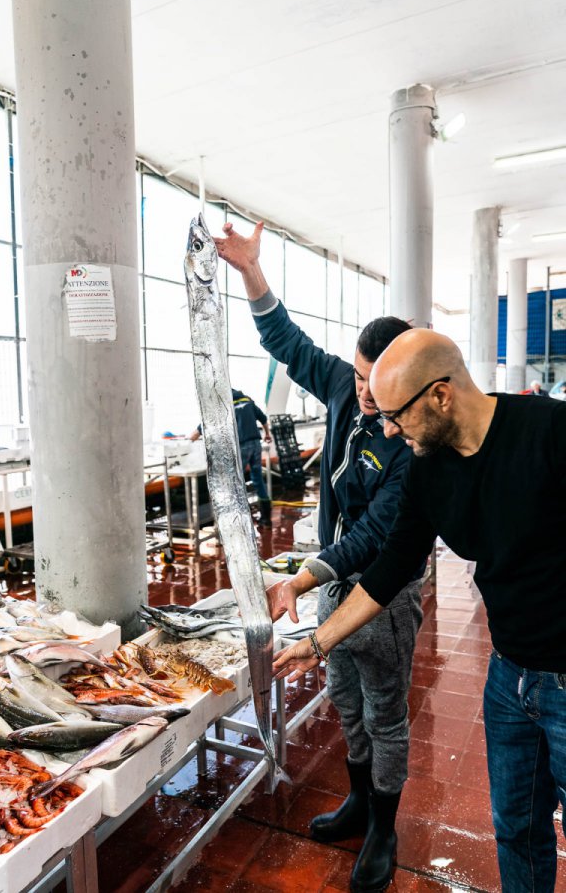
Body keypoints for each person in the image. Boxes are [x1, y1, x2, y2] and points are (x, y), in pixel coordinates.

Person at [273, 327, 566, 893]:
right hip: (508, 677)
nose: (386, 429)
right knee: (516, 829)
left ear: (439, 395)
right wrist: (315, 643)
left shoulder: (550, 433)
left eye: (395, 414)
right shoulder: (429, 467)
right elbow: (387, 570)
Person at [214, 221, 425, 893]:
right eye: (360, 375)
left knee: (387, 712)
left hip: (384, 596)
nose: (366, 392)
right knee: (345, 700)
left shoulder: (411, 444)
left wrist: (302, 577)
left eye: (379, 380)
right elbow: (286, 342)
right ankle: (360, 799)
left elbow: (376, 539)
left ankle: (384, 828)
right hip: (334, 587)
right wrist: (250, 272)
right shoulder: (341, 387)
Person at [189, 388, 273, 527]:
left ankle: (238, 522)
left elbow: (205, 425)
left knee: (234, 483)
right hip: (256, 444)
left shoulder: (224, 404)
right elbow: (263, 418)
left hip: (241, 446)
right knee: (257, 479)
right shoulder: (247, 400)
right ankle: (266, 519)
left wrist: (189, 440)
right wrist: (267, 434)